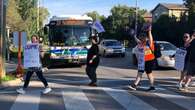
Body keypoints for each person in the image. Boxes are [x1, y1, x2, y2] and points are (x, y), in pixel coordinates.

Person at [129, 25, 156, 91]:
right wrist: (134, 35)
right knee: (140, 72)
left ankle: (152, 86)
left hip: (149, 60)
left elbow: (150, 37)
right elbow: (136, 39)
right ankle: (134, 85)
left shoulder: (149, 43)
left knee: (149, 73)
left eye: (143, 37)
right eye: (141, 37)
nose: (142, 38)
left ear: (146, 38)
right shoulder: (140, 43)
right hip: (142, 61)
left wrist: (149, 31)